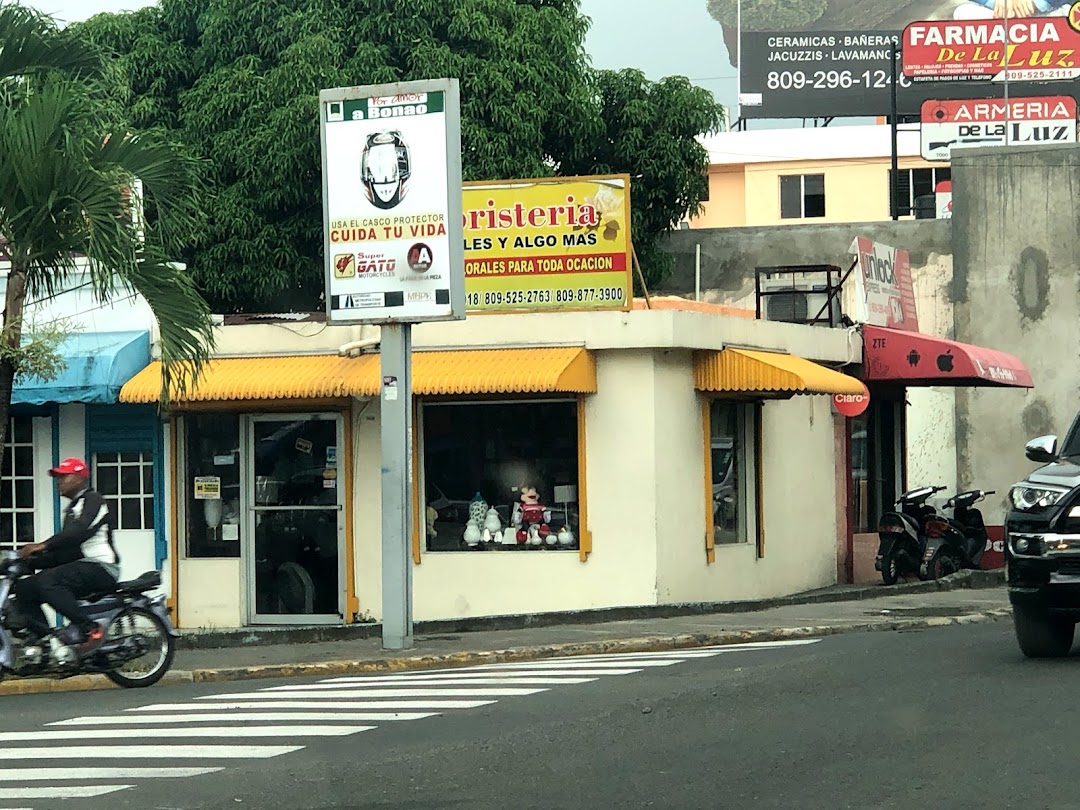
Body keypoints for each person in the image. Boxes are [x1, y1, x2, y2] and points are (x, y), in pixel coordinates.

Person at [14, 457, 120, 653]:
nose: (59, 481)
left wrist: (43, 545)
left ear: (80, 478)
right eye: (57, 477)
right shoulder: (73, 508)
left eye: (64, 476)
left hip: (101, 568)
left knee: (48, 581)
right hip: (81, 567)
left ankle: (91, 629)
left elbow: (78, 533)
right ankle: (47, 642)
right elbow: (67, 553)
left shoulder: (93, 500)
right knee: (23, 589)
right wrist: (31, 561)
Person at [953, 0, 1071, 19]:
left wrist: (1037, 3)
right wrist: (994, 2)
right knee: (963, 12)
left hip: (1047, 13)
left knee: (1069, 14)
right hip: (993, 13)